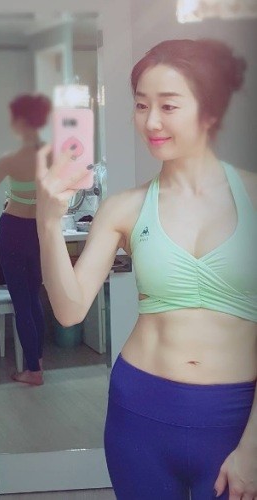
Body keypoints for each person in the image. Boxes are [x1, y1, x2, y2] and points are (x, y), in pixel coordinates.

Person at [36, 39, 256, 499]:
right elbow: (70, 311)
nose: (151, 121)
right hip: (140, 412)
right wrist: (47, 220)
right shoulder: (124, 207)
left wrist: (253, 445)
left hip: (235, 416)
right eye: (141, 105)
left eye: (168, 105)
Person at [0, 93, 52, 386]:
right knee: (34, 297)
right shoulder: (54, 155)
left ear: (21, 123)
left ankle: (33, 371)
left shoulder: (10, 160)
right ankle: (37, 361)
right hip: (39, 231)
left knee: (21, 301)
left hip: (13, 229)